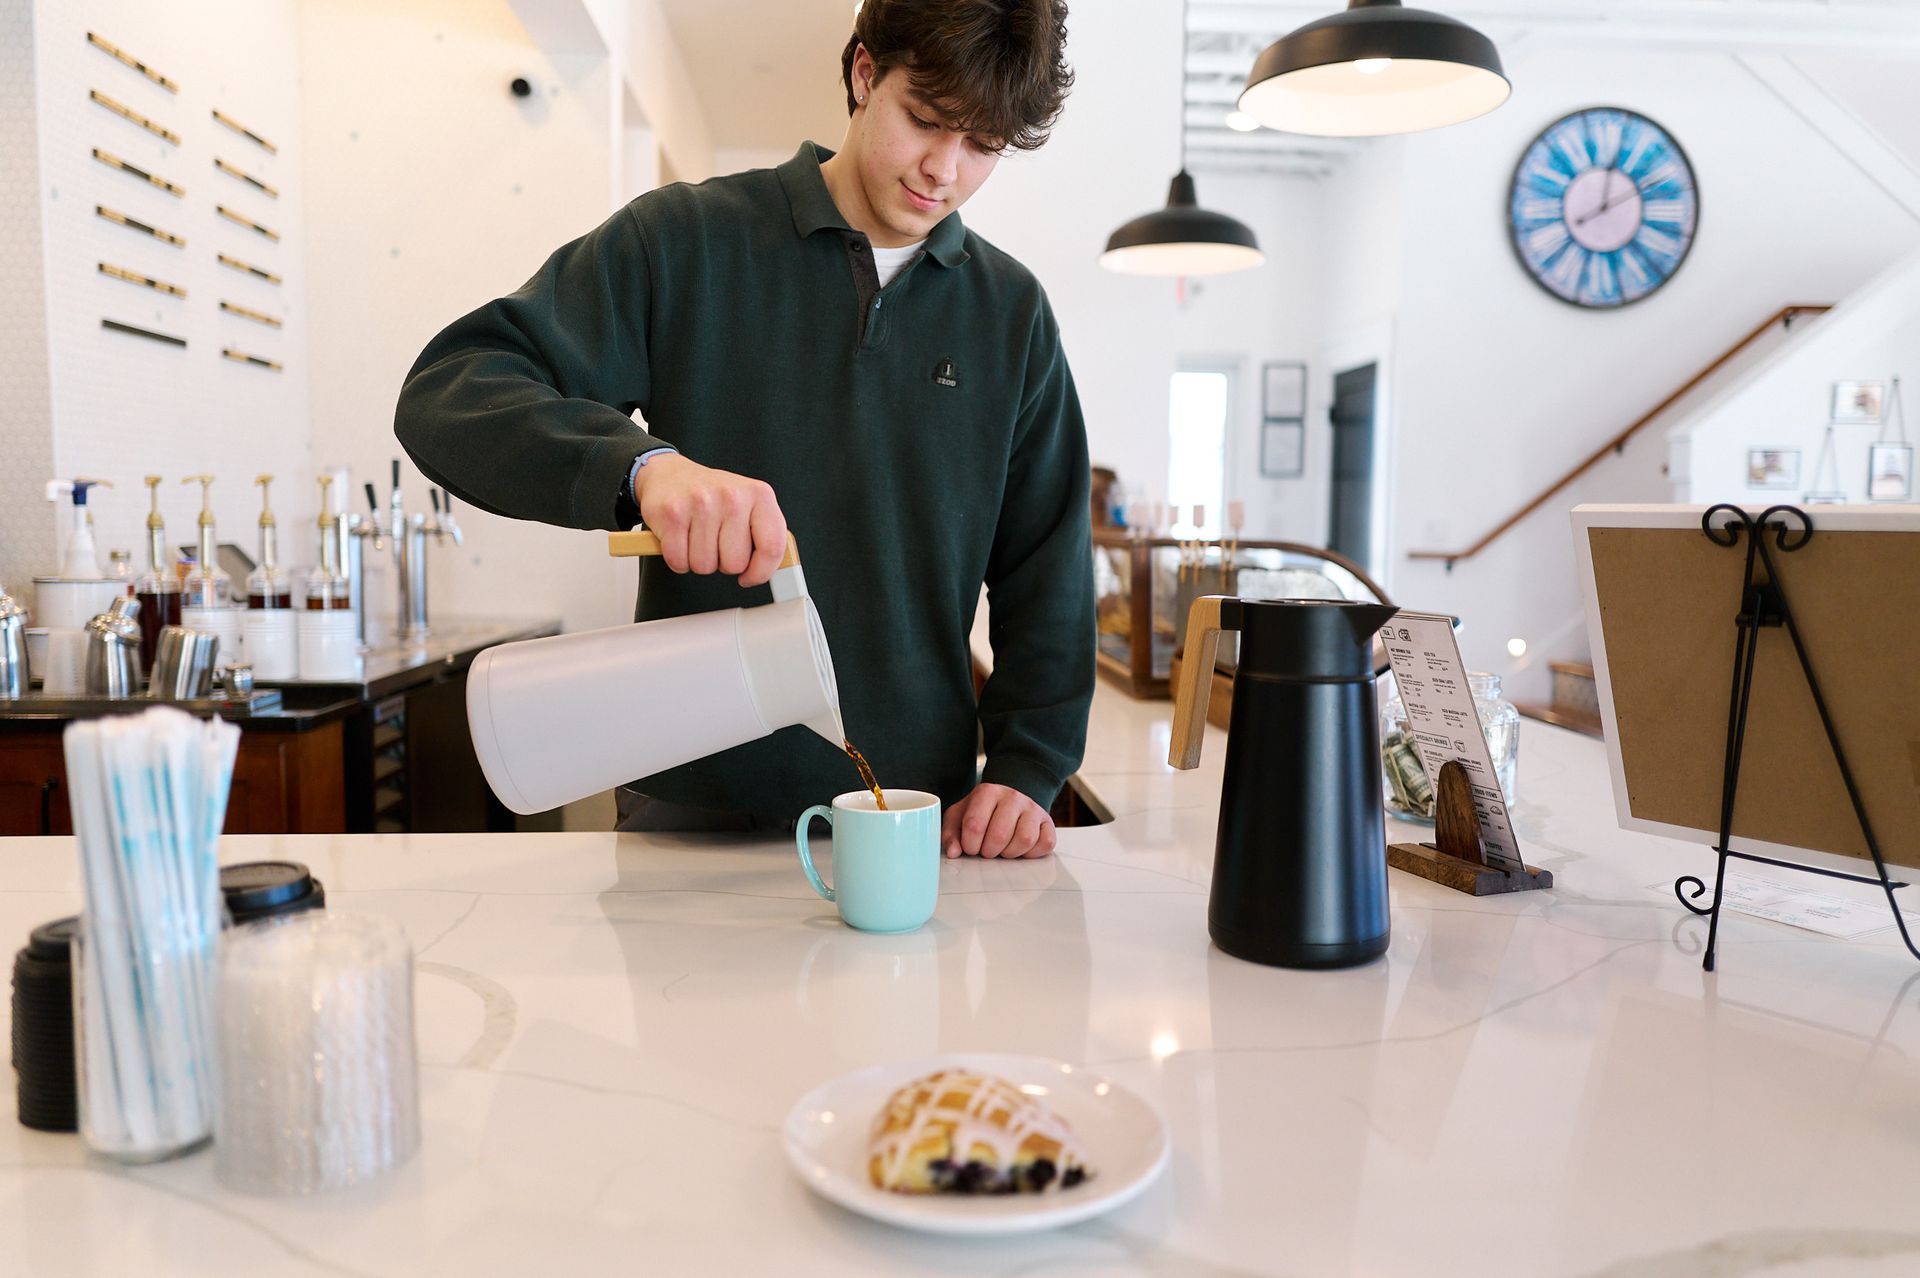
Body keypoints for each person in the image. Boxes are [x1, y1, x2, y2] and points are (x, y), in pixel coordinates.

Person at [393, 0, 1091, 860]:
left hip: (913, 816)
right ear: (866, 72)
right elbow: (452, 389)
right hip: (687, 808)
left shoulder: (1011, 316)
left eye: (983, 145)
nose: (944, 170)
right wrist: (644, 469)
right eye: (926, 120)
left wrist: (1029, 767)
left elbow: (1048, 568)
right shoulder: (685, 241)